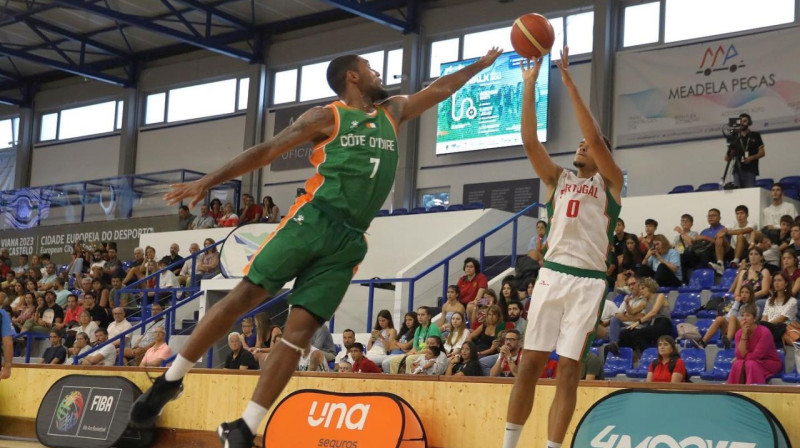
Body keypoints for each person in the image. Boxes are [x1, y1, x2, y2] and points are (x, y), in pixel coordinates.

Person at [129, 47, 504, 446]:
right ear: (353, 77)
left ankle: (246, 426)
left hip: (348, 241)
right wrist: (209, 181)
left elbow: (441, 88)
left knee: (298, 335)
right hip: (313, 219)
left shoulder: (393, 112)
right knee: (243, 297)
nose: (378, 74)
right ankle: (170, 381)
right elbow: (266, 151)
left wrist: (479, 66)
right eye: (370, 68)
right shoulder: (328, 116)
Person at [502, 49, 624, 448]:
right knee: (529, 365)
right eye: (580, 145)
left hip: (588, 282)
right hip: (553, 275)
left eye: (589, 145)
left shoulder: (611, 183)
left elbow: (592, 134)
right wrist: (530, 86)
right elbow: (528, 140)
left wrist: (569, 81)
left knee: (569, 370)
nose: (582, 146)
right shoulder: (558, 179)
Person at [728, 303, 782, 384]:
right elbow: (739, 355)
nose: (744, 318)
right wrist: (743, 335)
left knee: (749, 363)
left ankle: (753, 392)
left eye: (748, 315)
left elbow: (757, 355)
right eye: (742, 316)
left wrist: (742, 358)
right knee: (738, 364)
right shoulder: (739, 333)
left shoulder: (764, 332)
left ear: (754, 318)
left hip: (768, 362)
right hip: (750, 362)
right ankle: (735, 393)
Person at [709, 205, 754, 273]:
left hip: (746, 252)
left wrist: (727, 232)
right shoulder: (733, 224)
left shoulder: (752, 224)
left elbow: (743, 231)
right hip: (732, 251)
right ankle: (720, 264)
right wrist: (720, 234)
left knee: (740, 236)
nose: (739, 216)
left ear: (747, 215)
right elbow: (722, 231)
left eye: (742, 213)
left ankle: (736, 261)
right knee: (720, 237)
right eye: (737, 214)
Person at [724, 113, 764, 189]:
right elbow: (726, 158)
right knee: (738, 193)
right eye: (740, 121)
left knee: (749, 193)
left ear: (749, 123)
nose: (742, 123)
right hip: (737, 170)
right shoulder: (735, 137)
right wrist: (730, 152)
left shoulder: (755, 135)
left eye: (745, 121)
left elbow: (762, 153)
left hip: (751, 169)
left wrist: (750, 158)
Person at [458, 257, 488, 324]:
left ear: (475, 268)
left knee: (471, 306)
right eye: (467, 266)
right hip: (465, 302)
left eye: (471, 267)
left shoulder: (481, 277)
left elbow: (481, 291)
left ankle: (473, 328)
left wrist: (475, 301)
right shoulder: (462, 279)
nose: (468, 268)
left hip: (482, 301)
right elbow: (457, 294)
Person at [0, 307, 12, 380]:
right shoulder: (2, 313)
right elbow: (8, 341)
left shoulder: (2, 314)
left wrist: (7, 365)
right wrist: (7, 366)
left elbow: (7, 341)